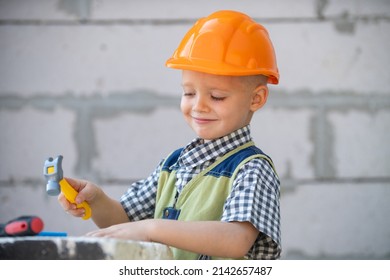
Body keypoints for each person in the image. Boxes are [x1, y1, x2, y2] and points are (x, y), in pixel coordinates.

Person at [59, 10, 281, 260]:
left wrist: (152, 228)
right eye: (188, 93)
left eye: (217, 96)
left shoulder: (251, 169)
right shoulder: (174, 165)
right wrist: (97, 200)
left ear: (256, 98)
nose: (198, 106)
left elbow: (235, 240)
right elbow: (126, 222)